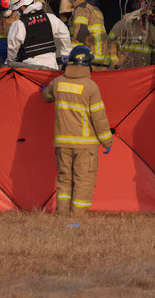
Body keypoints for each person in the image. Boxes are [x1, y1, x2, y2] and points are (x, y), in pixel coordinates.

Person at [42, 46, 112, 215]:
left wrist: (47, 91)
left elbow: (47, 96)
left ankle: (62, 213)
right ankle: (78, 217)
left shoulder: (58, 82)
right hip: (85, 145)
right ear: (87, 64)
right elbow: (99, 118)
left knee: (64, 179)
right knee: (84, 180)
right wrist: (107, 141)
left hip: (62, 143)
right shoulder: (91, 87)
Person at [6, 0, 71, 70]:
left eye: (16, 10)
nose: (16, 13)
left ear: (22, 8)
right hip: (52, 67)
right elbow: (64, 34)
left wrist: (11, 60)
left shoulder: (18, 24)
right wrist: (66, 53)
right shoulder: (50, 18)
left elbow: (12, 47)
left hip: (30, 68)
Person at [67, 0, 109, 69]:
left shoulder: (82, 9)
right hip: (102, 60)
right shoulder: (95, 10)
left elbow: (80, 33)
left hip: (88, 60)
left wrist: (72, 54)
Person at [107, 1, 155, 69]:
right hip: (123, 72)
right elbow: (111, 42)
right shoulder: (125, 24)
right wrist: (114, 63)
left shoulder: (152, 31)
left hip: (142, 75)